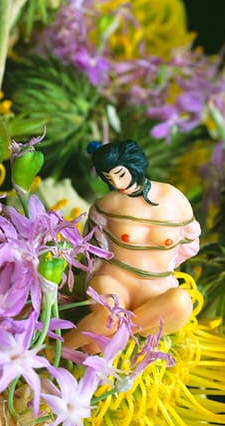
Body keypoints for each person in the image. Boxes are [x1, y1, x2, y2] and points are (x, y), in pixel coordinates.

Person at [64, 140, 201, 352]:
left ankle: (117, 337)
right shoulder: (107, 205)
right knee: (110, 316)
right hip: (114, 280)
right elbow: (90, 248)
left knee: (182, 302)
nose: (117, 184)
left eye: (120, 174)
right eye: (108, 178)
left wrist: (162, 270)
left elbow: (189, 245)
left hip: (156, 289)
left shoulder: (173, 199)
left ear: (134, 165)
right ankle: (54, 350)